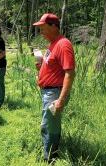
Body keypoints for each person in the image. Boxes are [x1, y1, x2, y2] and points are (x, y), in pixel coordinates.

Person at [33, 13, 76, 162]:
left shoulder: (63, 44)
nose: (41, 32)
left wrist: (61, 99)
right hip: (49, 91)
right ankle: (50, 154)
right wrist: (40, 66)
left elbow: (70, 73)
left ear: (54, 26)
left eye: (43, 28)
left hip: (55, 92)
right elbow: (53, 65)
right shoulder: (53, 43)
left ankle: (49, 158)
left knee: (48, 127)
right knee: (50, 125)